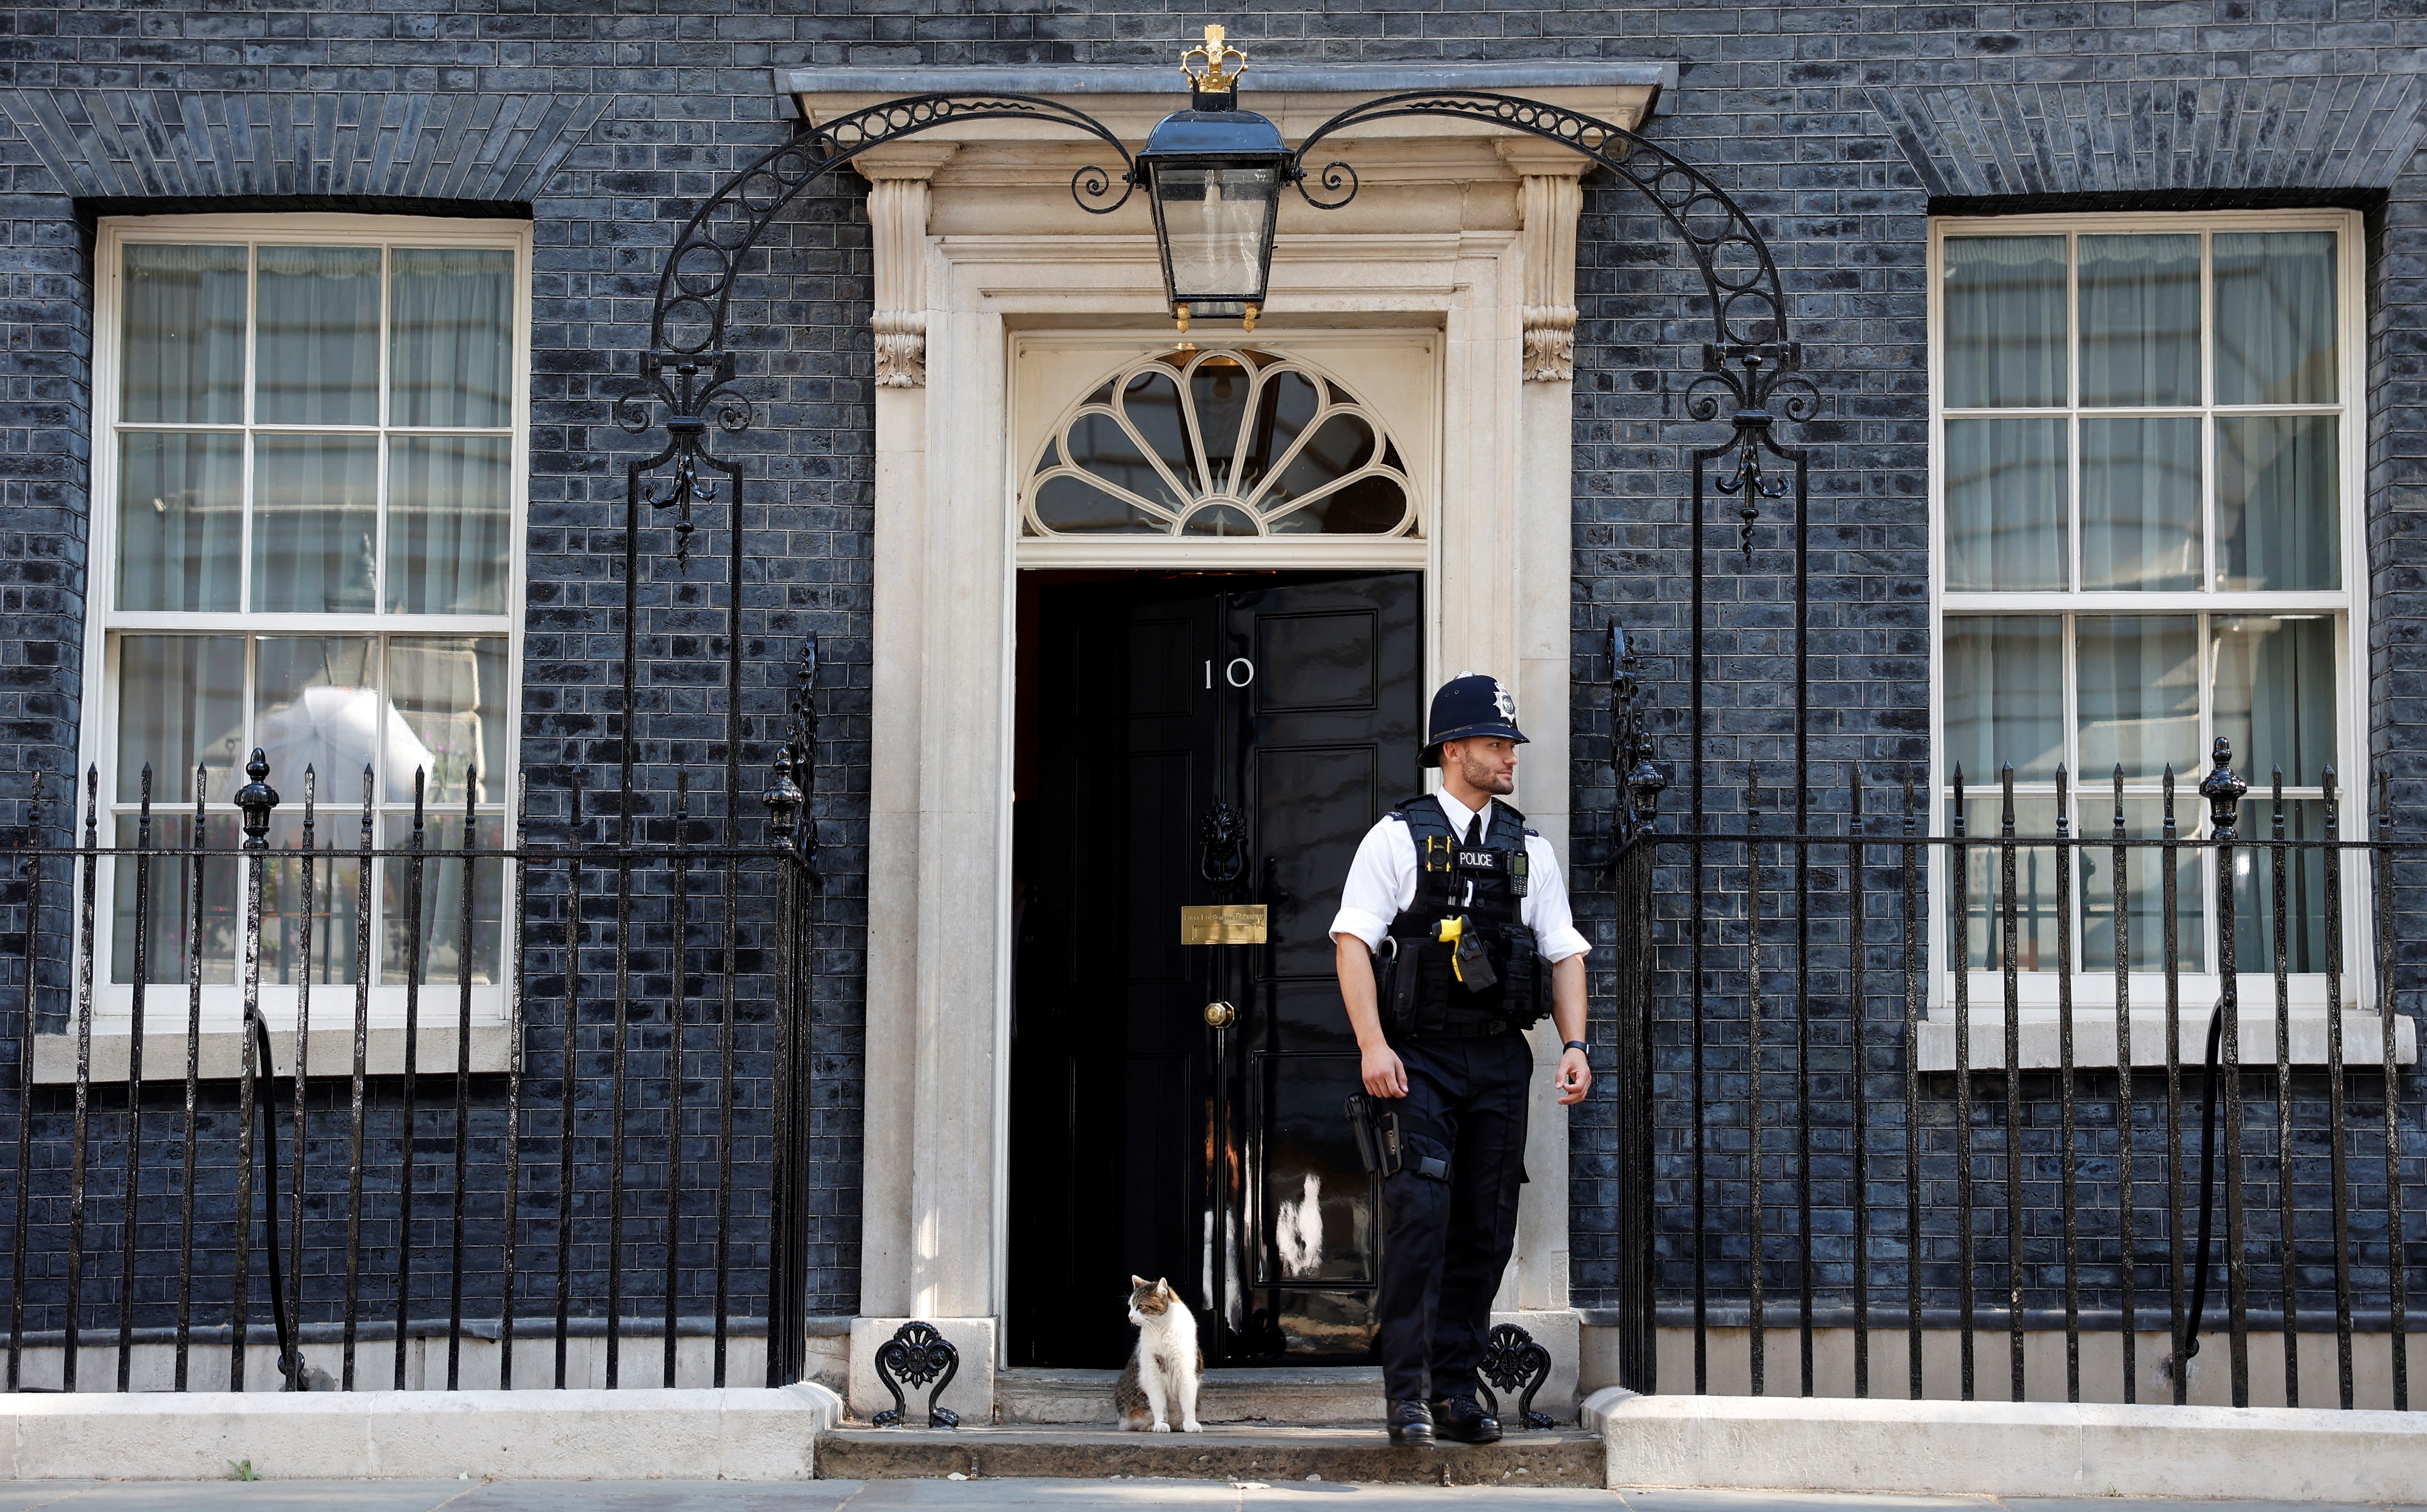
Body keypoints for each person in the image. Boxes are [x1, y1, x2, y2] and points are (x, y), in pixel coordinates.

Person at [1328, 672, 1592, 1447]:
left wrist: (1573, 1045)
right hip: (1418, 1061)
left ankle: (1455, 1392)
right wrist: (1373, 1045)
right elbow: (1351, 943)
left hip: (1499, 1063)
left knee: (1485, 1230)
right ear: (1453, 751)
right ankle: (1406, 1396)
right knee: (1419, 1222)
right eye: (1494, 742)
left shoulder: (1526, 849)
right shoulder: (1395, 837)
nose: (1508, 755)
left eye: (1509, 742)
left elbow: (1564, 951)